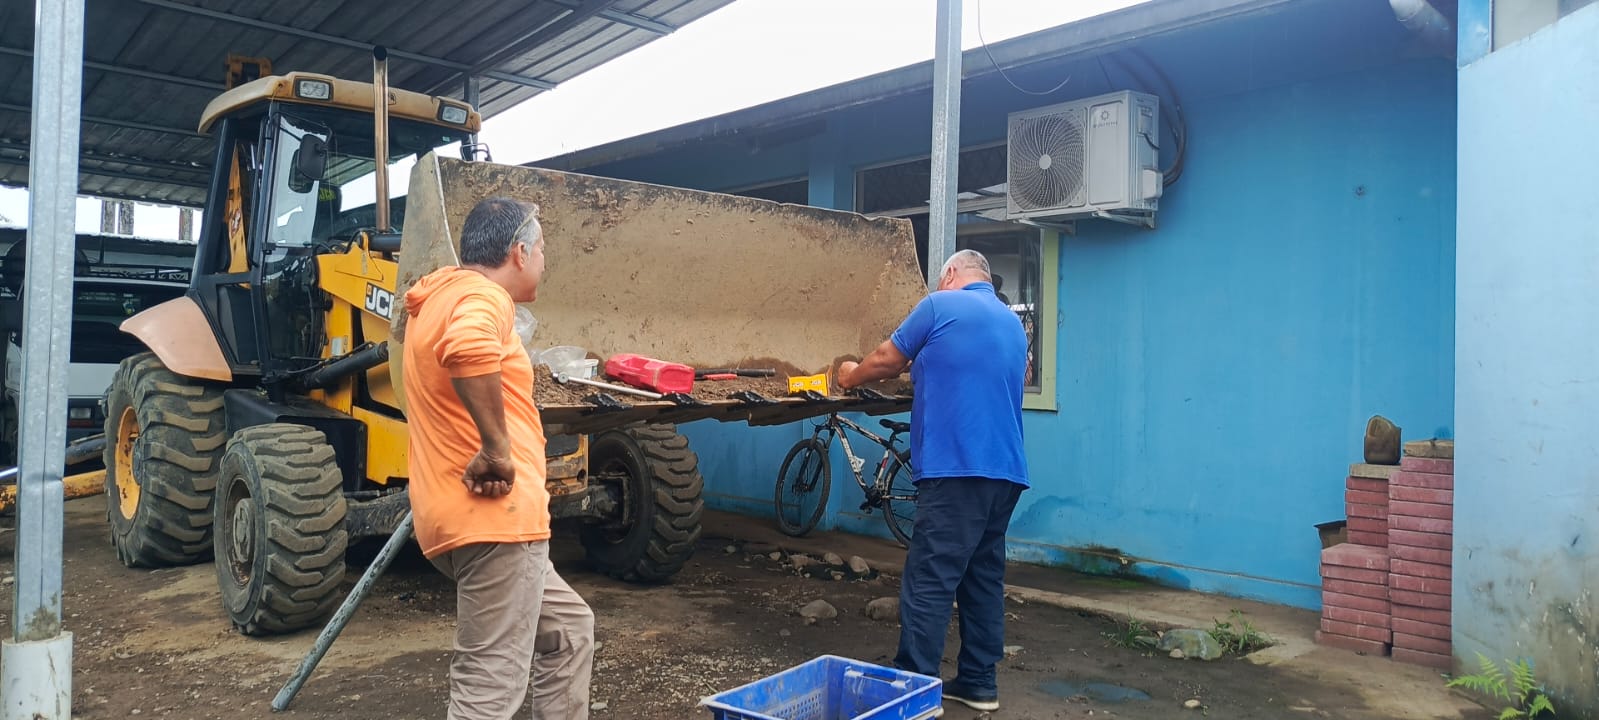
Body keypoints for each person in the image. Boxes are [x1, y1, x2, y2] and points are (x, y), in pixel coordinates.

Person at [401, 196, 594, 720]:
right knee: (488, 689)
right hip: (495, 522)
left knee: (569, 630)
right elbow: (468, 347)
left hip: (464, 519)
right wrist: (495, 449)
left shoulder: (440, 296)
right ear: (519, 252)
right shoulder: (484, 297)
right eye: (543, 249)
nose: (545, 261)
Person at [836, 249, 1029, 713]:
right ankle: (979, 683)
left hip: (957, 468)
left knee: (930, 578)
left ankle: (914, 688)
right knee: (982, 577)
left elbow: (886, 358)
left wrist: (849, 375)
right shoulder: (1012, 324)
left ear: (950, 274)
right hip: (1005, 473)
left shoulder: (941, 305)